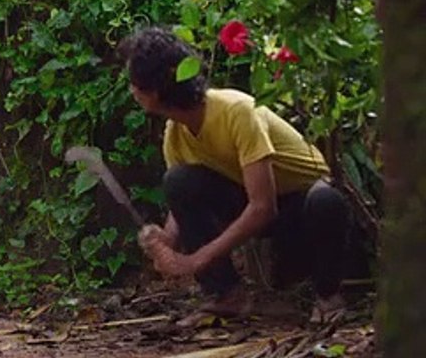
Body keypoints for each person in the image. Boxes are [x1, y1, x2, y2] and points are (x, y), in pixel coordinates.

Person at [118, 27, 351, 327]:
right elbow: (181, 204)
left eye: (135, 82)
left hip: (299, 205)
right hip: (253, 205)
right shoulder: (175, 132)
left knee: (326, 201)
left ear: (158, 87)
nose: (132, 90)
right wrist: (165, 239)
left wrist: (198, 258)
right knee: (178, 180)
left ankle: (328, 295)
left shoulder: (236, 111)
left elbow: (263, 207)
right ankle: (225, 294)